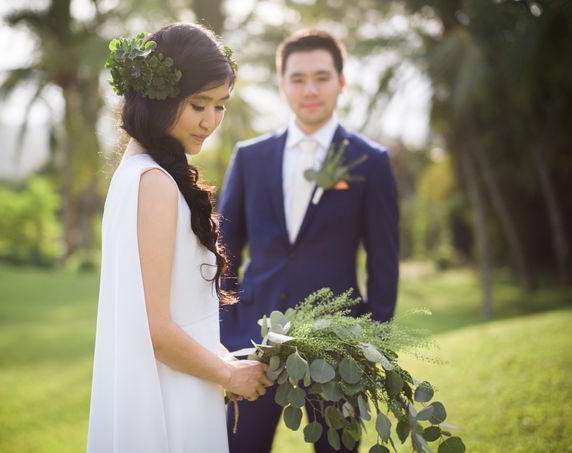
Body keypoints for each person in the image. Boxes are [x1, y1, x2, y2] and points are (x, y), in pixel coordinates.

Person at [87, 23, 270, 453]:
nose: (210, 121)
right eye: (198, 105)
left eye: (220, 106)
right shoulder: (153, 182)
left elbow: (178, 315)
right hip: (169, 400)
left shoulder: (135, 174)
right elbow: (158, 330)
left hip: (184, 384)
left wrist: (227, 360)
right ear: (159, 98)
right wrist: (227, 376)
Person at [218, 29, 400, 453]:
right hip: (252, 345)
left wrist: (370, 348)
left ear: (342, 81)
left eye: (321, 76)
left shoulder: (369, 162)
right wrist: (228, 337)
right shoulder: (250, 157)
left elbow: (384, 263)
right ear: (282, 85)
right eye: (298, 78)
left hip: (338, 349)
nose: (310, 89)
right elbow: (223, 252)